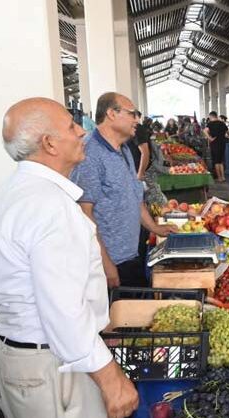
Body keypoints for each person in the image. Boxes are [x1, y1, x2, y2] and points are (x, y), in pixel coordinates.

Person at [0, 97, 138, 418]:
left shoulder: (5, 196)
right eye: (70, 126)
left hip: (17, 356)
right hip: (52, 364)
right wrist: (109, 376)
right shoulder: (49, 206)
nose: (81, 131)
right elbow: (63, 309)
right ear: (49, 143)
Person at [72, 92, 176, 288]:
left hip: (131, 252)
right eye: (132, 114)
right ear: (112, 113)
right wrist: (106, 263)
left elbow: (134, 197)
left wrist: (154, 228)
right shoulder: (90, 154)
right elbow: (84, 215)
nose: (137, 120)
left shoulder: (124, 149)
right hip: (111, 260)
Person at [204, 111, 227, 183]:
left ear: (211, 117)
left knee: (216, 162)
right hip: (222, 143)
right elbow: (226, 132)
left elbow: (204, 131)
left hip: (214, 144)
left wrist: (210, 138)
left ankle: (219, 177)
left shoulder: (210, 124)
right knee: (221, 161)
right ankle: (223, 177)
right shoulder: (222, 123)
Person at [129, 112, 151, 180]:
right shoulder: (128, 128)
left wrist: (140, 174)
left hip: (137, 168)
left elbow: (145, 153)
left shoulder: (137, 129)